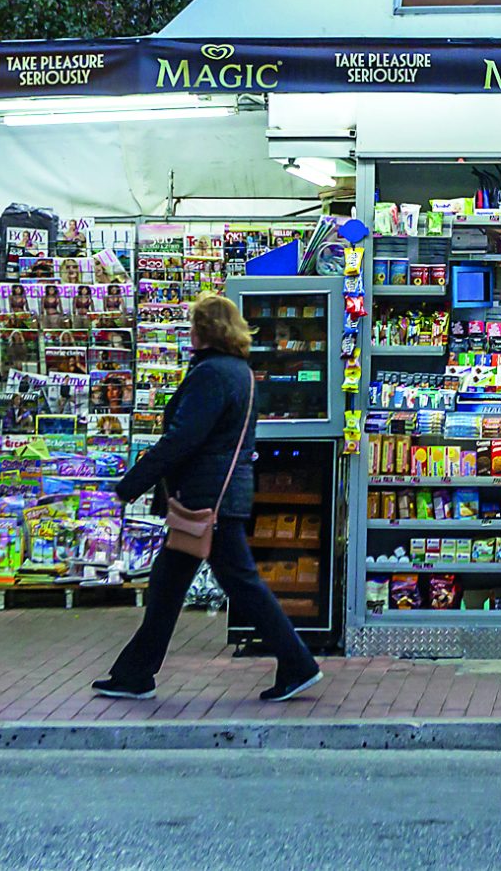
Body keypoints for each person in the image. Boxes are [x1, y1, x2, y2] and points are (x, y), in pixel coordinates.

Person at [95, 291, 322, 702]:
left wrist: (133, 483)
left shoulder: (212, 375)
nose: (189, 333)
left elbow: (183, 438)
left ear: (206, 331)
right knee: (169, 584)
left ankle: (297, 663)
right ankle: (135, 673)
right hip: (219, 494)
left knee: (240, 583)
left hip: (207, 500)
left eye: (194, 326)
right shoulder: (238, 371)